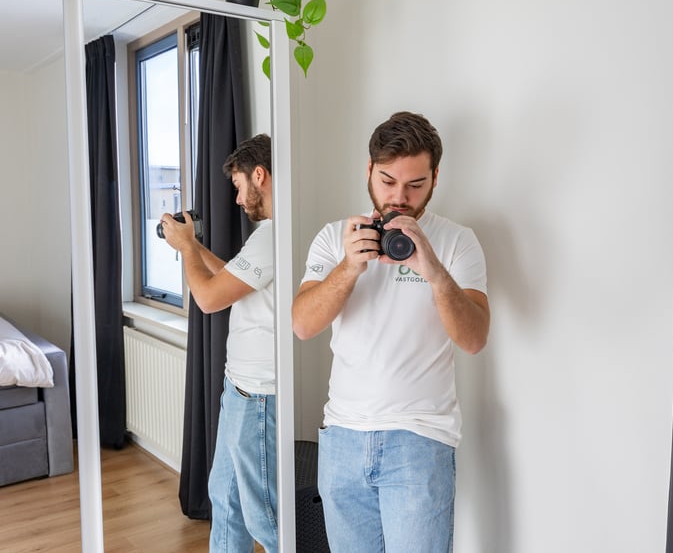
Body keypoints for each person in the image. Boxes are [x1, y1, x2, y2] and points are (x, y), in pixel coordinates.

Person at [292, 111, 491, 552]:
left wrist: (433, 271)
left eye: (415, 185)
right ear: (368, 171)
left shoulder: (458, 242)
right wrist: (349, 268)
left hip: (420, 441)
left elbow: (475, 338)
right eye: (387, 181)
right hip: (342, 437)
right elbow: (303, 324)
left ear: (435, 178)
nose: (399, 197)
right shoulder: (334, 238)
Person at [159, 134, 277, 553]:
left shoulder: (272, 236)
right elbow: (231, 277)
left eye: (239, 186)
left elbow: (208, 299)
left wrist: (186, 248)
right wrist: (195, 246)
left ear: (258, 175)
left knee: (267, 518)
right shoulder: (266, 238)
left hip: (260, 396)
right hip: (241, 390)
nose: (238, 198)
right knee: (225, 500)